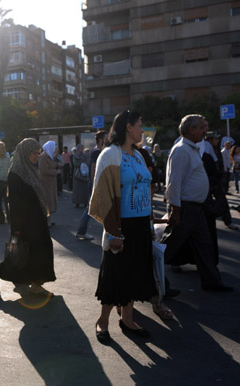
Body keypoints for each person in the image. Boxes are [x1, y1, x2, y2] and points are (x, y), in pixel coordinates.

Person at [89, 111, 158, 341]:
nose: (142, 129)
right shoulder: (110, 155)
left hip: (140, 224)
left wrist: (150, 222)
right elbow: (102, 197)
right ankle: (103, 320)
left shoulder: (138, 155)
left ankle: (128, 320)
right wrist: (112, 232)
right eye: (140, 125)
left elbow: (146, 187)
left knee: (135, 274)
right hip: (121, 226)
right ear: (128, 127)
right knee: (115, 275)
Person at [162, 115, 233, 292]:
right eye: (202, 127)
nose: (205, 131)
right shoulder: (181, 150)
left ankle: (212, 282)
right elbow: (174, 183)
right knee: (168, 248)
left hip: (196, 209)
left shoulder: (191, 148)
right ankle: (151, 279)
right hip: (185, 209)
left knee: (205, 246)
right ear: (191, 130)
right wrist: (175, 210)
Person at [0, 138, 56, 295]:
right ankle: (35, 285)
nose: (36, 156)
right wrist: (16, 227)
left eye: (38, 153)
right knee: (27, 254)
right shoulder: (16, 175)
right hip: (26, 223)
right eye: (33, 153)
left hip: (37, 219)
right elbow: (15, 204)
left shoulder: (30, 169)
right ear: (24, 153)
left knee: (33, 253)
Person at [76, 130, 107, 240]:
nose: (108, 139)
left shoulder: (100, 151)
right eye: (106, 137)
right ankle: (81, 231)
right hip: (96, 184)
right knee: (90, 209)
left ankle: (81, 231)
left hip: (99, 184)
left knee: (92, 209)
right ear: (101, 140)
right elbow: (94, 168)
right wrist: (95, 184)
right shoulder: (96, 152)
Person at [38, 140, 59, 225]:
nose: (56, 149)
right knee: (47, 201)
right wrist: (56, 171)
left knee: (50, 201)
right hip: (45, 182)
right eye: (55, 148)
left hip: (51, 182)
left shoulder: (50, 156)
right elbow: (44, 170)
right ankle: (46, 221)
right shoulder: (43, 157)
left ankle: (49, 220)